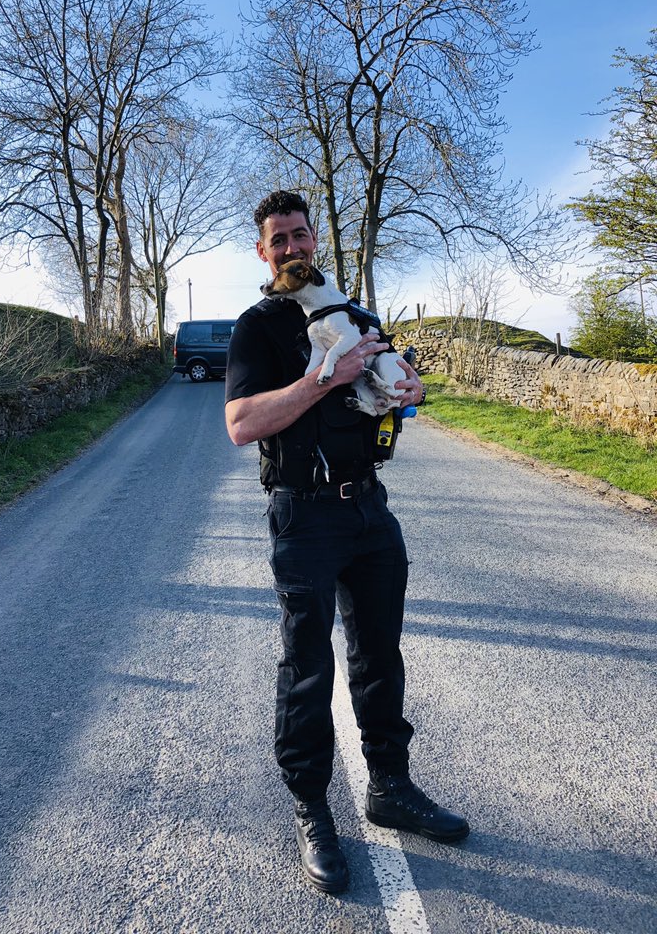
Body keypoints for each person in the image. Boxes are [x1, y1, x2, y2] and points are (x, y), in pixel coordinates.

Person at [225, 191, 469, 895]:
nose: (295, 248)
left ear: (315, 238)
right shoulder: (259, 328)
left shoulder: (358, 316)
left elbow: (397, 399)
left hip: (368, 508)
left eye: (302, 235)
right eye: (281, 240)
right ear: (263, 252)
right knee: (306, 666)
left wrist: (410, 392)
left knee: (379, 656)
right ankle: (312, 809)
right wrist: (320, 376)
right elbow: (242, 424)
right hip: (302, 514)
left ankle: (389, 785)